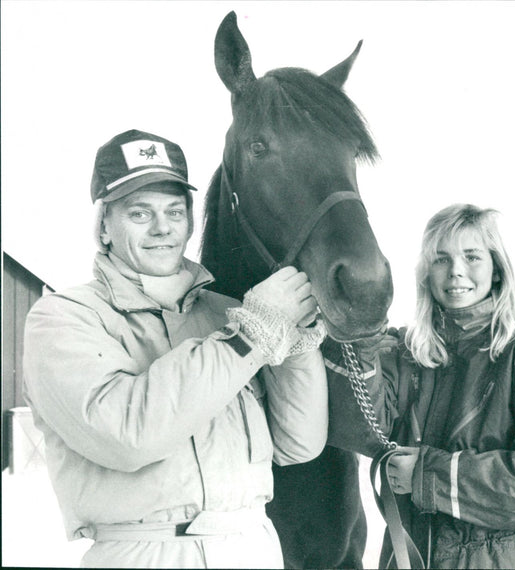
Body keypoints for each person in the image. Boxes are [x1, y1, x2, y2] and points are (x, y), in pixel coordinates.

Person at [23, 129, 329, 569]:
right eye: (140, 213)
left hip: (251, 547)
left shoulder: (231, 313)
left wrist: (295, 343)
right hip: (144, 553)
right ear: (104, 226)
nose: (162, 227)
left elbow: (298, 444)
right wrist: (255, 332)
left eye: (174, 211)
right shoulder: (62, 317)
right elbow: (128, 435)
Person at [324, 203, 515, 569]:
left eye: (472, 257)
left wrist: (430, 475)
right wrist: (357, 345)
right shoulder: (401, 352)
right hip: (410, 554)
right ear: (425, 273)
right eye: (441, 259)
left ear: (497, 268)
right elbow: (359, 432)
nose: (456, 271)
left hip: (500, 557)